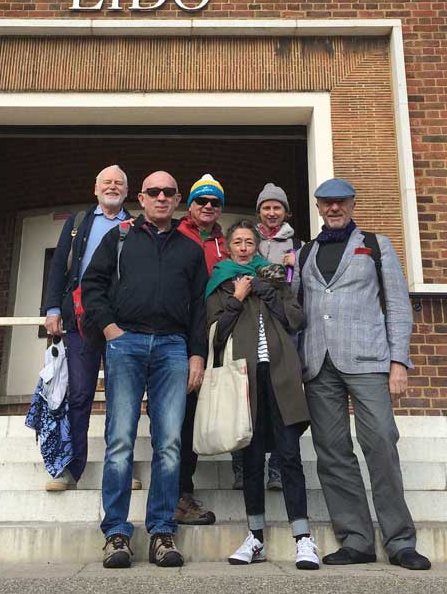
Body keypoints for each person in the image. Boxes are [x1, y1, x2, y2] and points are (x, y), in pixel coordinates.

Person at [294, 177, 431, 571]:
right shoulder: (306, 252)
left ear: (353, 204)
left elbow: (397, 305)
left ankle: (401, 540)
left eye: (341, 202)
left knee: (382, 443)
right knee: (332, 452)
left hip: (369, 360)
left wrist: (399, 362)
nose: (333, 209)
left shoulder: (376, 244)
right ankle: (355, 539)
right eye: (326, 203)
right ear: (318, 207)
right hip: (319, 365)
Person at [81, 171, 208, 569]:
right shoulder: (118, 238)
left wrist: (197, 355)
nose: (161, 197)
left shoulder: (189, 249)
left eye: (169, 192)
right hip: (127, 344)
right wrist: (110, 329)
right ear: (142, 197)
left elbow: (200, 309)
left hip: (173, 347)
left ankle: (162, 533)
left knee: (169, 443)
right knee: (120, 440)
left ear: (177, 199)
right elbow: (92, 285)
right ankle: (116, 533)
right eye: (153, 191)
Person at [206, 220, 319, 570]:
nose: (243, 248)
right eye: (237, 242)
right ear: (228, 246)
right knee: (252, 460)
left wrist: (269, 292)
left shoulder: (273, 278)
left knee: (289, 457)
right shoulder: (220, 283)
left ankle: (303, 539)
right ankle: (255, 537)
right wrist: (238, 299)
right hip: (244, 380)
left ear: (256, 245)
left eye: (249, 242)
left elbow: (297, 319)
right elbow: (215, 334)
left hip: (280, 376)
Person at [40, 165, 134, 491]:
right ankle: (70, 469)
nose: (112, 186)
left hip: (120, 323)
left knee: (121, 398)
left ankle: (119, 470)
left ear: (126, 190)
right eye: (107, 182)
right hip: (79, 321)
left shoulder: (134, 225)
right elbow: (59, 267)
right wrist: (52, 309)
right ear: (96, 188)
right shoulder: (78, 223)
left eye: (118, 183)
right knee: (79, 395)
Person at [232, 182, 300, 492]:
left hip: (282, 331)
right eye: (266, 207)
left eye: (277, 207)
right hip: (248, 330)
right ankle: (243, 468)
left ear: (286, 211)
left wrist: (291, 269)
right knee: (244, 402)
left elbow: (298, 292)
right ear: (259, 211)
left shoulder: (298, 246)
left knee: (280, 402)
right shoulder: (250, 243)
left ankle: (275, 469)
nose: (271, 212)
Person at [174, 172, 227, 525]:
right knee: (181, 415)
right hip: (179, 336)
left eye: (214, 202)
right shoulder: (176, 236)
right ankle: (178, 492)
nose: (207, 206)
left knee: (198, 415)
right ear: (189, 204)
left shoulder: (230, 242)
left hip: (218, 335)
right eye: (201, 201)